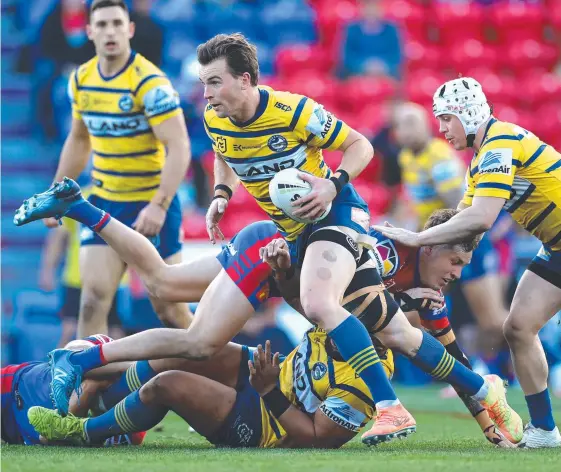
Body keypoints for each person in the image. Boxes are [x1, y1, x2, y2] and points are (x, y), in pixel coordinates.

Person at [14, 180, 522, 446]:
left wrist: (486, 418)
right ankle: (82, 362)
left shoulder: (401, 285)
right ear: (432, 247)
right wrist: (483, 393)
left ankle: (81, 209)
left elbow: (434, 341)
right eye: (455, 260)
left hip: (269, 251)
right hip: (271, 257)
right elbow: (396, 332)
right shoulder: (389, 260)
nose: (456, 275)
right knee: (194, 343)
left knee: (164, 284)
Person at [374, 77, 561, 448]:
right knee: (518, 328)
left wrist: (417, 239)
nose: (441, 129)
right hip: (555, 248)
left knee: (508, 324)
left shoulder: (500, 142)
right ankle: (544, 430)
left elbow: (482, 218)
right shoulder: (479, 162)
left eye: (446, 119)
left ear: (469, 114)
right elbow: (460, 228)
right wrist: (417, 276)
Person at [42, 0, 192, 336]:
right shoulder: (81, 80)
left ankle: (217, 371)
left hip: (151, 206)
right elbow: (79, 140)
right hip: (106, 203)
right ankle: (84, 389)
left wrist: (159, 205)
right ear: (89, 32)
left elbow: (179, 145)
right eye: (102, 25)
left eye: (116, 24)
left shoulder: (151, 84)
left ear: (130, 30)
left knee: (168, 307)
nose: (110, 31)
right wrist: (55, 193)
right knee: (92, 299)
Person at [27, 337, 393, 449]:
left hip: (270, 424)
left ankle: (80, 432)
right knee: (190, 346)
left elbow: (317, 439)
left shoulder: (363, 379)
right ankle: (101, 399)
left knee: (167, 384)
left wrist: (269, 391)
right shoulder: (331, 311)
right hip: (269, 376)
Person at [393, 102, 510, 376]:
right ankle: (469, 371)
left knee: (493, 321)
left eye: (413, 124)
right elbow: (409, 199)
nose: (406, 131)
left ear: (425, 127)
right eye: (401, 125)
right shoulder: (406, 157)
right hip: (435, 246)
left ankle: (551, 361)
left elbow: (460, 207)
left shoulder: (440, 159)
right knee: (416, 313)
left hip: (463, 244)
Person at [0, 334, 144, 446]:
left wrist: (90, 389)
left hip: (22, 429)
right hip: (16, 386)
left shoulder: (132, 421)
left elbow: (52, 439)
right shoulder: (103, 348)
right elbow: (72, 349)